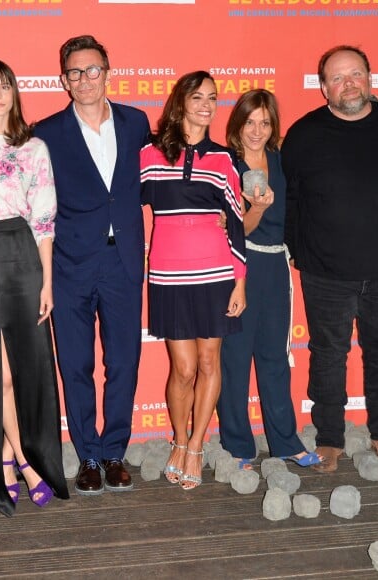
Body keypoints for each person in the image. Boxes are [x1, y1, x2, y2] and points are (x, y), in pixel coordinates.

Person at [281, 45, 378, 473]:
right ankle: (328, 438)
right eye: (338, 78)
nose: (349, 84)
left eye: (356, 74)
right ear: (324, 87)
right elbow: (291, 202)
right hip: (326, 274)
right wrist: (303, 255)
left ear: (370, 77)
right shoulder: (303, 134)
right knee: (327, 355)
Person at [34, 36, 150, 495]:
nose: (85, 80)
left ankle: (115, 452)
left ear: (108, 71)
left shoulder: (137, 122)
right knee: (76, 364)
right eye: (75, 72)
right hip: (69, 265)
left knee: (124, 361)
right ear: (64, 80)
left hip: (123, 260)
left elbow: (158, 178)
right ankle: (86, 455)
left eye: (93, 70)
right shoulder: (46, 133)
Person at [0, 59, 69, 516]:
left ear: (14, 93)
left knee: (27, 366)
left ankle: (11, 456)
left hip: (23, 255)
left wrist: (46, 280)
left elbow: (44, 219)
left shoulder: (34, 148)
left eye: (5, 86)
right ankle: (23, 457)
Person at [141, 70, 247, 489]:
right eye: (198, 96)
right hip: (168, 276)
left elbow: (236, 223)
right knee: (182, 369)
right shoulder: (148, 155)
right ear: (180, 101)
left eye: (213, 98)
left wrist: (240, 282)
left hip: (217, 274)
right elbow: (120, 203)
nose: (206, 104)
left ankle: (197, 446)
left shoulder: (223, 158)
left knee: (208, 362)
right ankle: (179, 440)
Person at [218, 90, 321, 469]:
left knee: (275, 358)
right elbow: (234, 231)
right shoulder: (225, 163)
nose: (257, 130)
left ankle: (285, 442)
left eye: (265, 122)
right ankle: (239, 446)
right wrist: (257, 209)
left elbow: (296, 214)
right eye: (250, 122)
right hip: (237, 269)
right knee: (234, 359)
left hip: (276, 267)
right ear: (237, 124)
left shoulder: (281, 162)